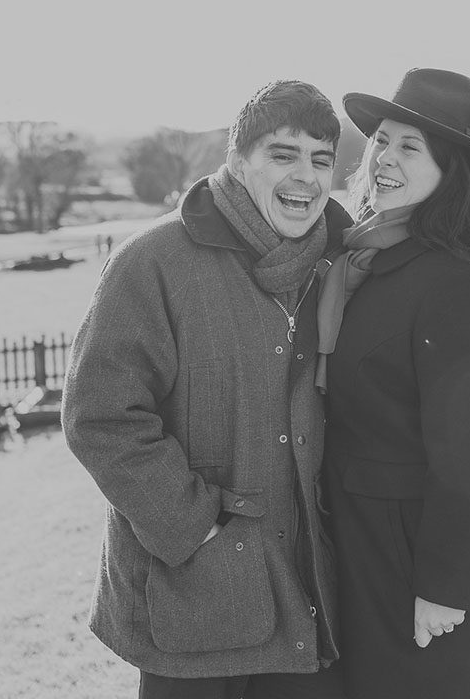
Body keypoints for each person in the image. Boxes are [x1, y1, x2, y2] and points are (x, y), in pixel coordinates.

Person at [63, 80, 352, 699]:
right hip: (192, 591)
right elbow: (100, 417)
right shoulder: (152, 263)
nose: (305, 176)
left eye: (321, 159)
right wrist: (194, 525)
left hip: (310, 587)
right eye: (283, 154)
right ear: (238, 161)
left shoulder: (341, 266)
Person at [317, 68, 470, 699]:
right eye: (382, 140)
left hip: (418, 552)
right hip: (363, 537)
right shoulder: (365, 255)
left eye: (410, 147)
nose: (384, 158)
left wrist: (443, 586)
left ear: (451, 171)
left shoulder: (454, 282)